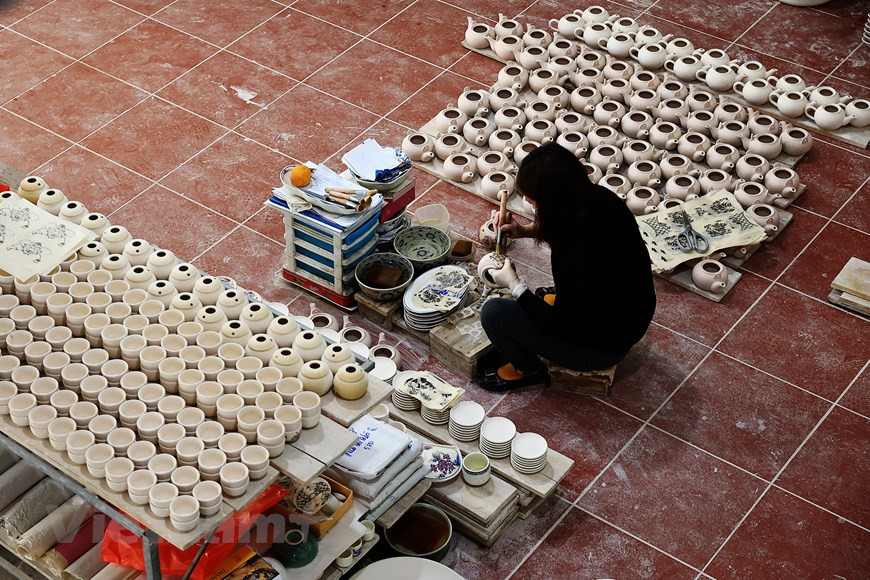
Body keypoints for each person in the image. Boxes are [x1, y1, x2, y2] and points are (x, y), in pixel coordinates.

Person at [477, 143, 656, 392]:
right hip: (626, 315)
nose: (530, 205)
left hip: (600, 347)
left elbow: (561, 327)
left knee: (495, 313)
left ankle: (527, 369)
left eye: (533, 201)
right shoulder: (602, 200)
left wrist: (516, 286)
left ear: (552, 202)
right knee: (550, 298)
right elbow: (565, 226)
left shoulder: (579, 259)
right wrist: (523, 231)